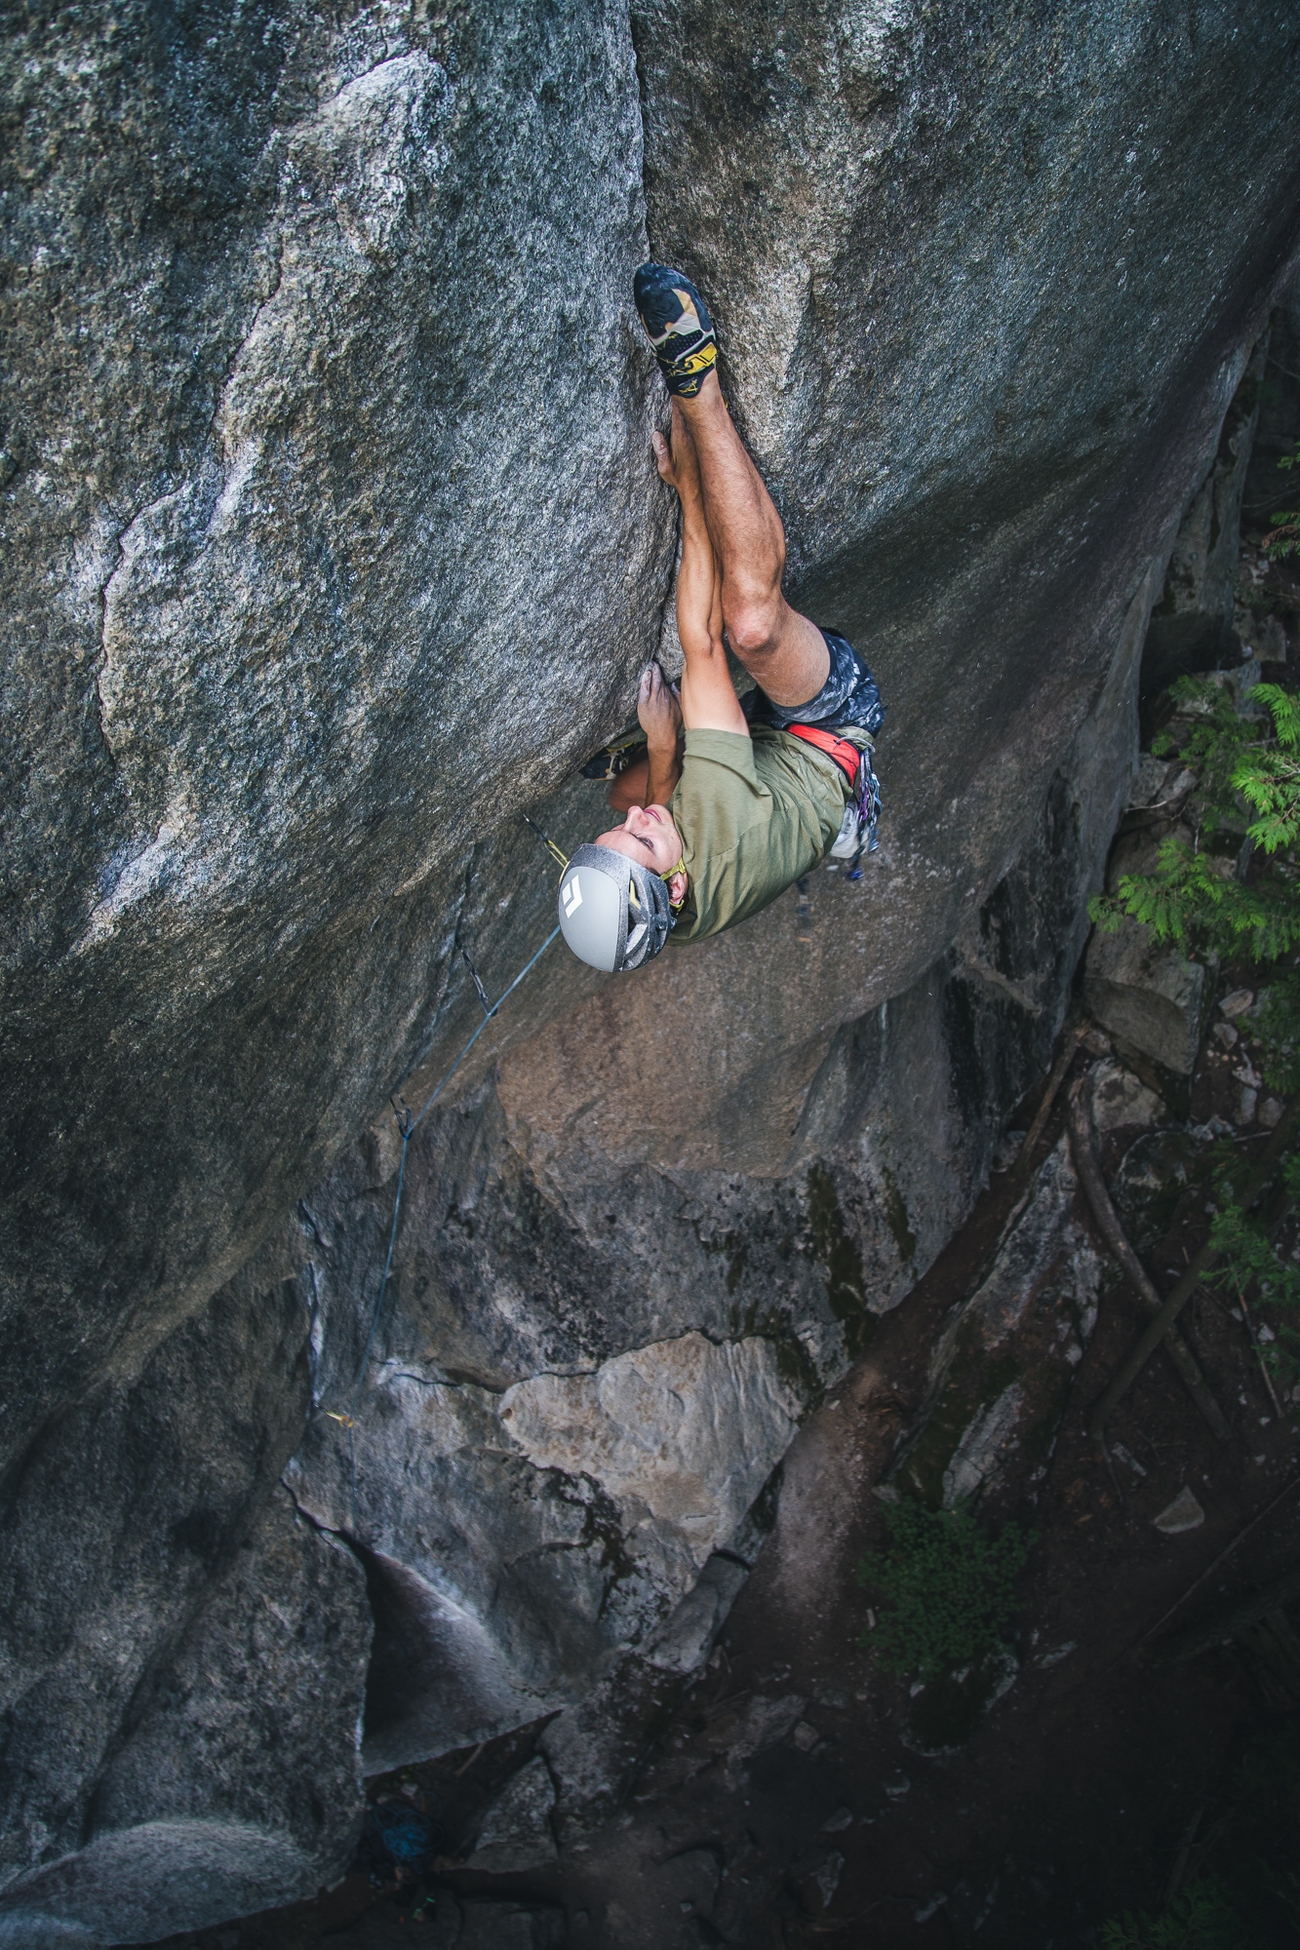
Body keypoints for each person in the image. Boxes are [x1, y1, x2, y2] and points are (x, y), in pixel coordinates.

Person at [557, 262, 884, 974]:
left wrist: (663, 758)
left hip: (759, 779)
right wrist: (689, 485)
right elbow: (702, 639)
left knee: (624, 778)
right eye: (643, 841)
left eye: (617, 834)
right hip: (828, 735)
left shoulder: (660, 915)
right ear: (676, 886)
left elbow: (636, 813)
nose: (634, 821)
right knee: (752, 626)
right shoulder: (712, 832)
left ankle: (686, 742)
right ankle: (698, 376)